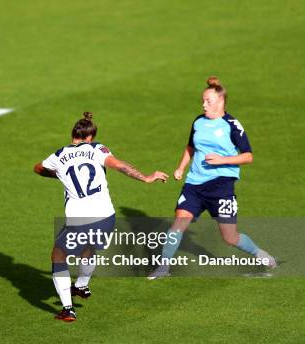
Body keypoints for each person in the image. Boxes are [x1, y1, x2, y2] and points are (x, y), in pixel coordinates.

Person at [34, 112, 168, 322]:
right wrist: (146, 178)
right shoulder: (97, 149)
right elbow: (120, 165)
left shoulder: (59, 155)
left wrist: (57, 174)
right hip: (106, 216)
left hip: (79, 218)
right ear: (90, 137)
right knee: (89, 248)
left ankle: (68, 309)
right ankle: (82, 286)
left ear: (74, 135)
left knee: (58, 255)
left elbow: (38, 168)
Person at [147, 76, 276, 280]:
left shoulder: (232, 124)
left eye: (208, 101)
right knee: (178, 223)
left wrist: (223, 159)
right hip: (194, 184)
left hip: (221, 186)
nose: (203, 105)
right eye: (203, 101)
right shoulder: (198, 121)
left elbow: (248, 156)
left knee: (230, 237)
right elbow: (190, 147)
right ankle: (163, 267)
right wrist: (181, 168)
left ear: (221, 102)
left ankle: (260, 254)